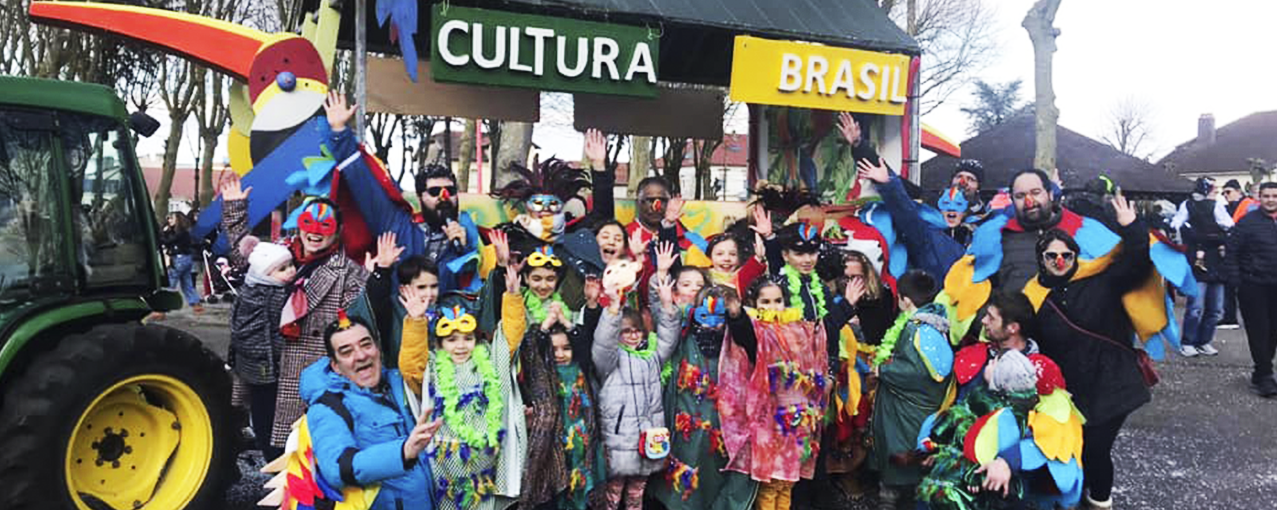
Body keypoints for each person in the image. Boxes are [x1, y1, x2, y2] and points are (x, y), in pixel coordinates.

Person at [1026, 191, 1150, 510]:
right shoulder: (1035, 299)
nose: (1059, 262)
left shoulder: (1102, 281)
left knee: (1096, 449)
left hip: (1113, 384)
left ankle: (1100, 502)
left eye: (1066, 255)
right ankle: (1079, 497)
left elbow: (1136, 260)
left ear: (1075, 256)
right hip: (1071, 391)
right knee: (1074, 448)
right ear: (1041, 258)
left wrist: (1132, 226)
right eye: (1051, 256)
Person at [323, 92, 482, 294]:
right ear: (420, 197)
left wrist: (465, 249)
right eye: (434, 192)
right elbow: (363, 184)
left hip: (448, 323)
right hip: (398, 321)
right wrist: (339, 132)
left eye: (450, 191)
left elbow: (476, 284)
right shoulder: (397, 226)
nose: (443, 197)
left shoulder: (468, 236)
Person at [399, 264, 527, 510]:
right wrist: (415, 322)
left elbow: (510, 339)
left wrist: (512, 297)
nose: (460, 346)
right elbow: (411, 367)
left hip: (486, 473)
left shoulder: (489, 359)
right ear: (438, 342)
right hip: (447, 472)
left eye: (467, 338)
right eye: (451, 339)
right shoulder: (433, 366)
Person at [301, 313, 442, 510]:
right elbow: (337, 468)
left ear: (377, 348)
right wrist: (403, 452)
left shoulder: (398, 383)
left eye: (366, 344)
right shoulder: (327, 406)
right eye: (346, 351)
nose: (361, 355)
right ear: (336, 366)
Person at [716, 278, 828, 510]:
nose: (773, 306)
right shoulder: (755, 328)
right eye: (765, 301)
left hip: (796, 418)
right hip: (768, 418)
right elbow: (744, 338)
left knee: (787, 482)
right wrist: (736, 314)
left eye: (778, 301)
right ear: (754, 303)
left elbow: (814, 359)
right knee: (770, 483)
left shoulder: (798, 329)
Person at [270, 197, 370, 448]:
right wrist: (234, 207)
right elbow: (243, 261)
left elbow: (351, 327)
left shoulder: (349, 272)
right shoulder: (278, 255)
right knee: (268, 449)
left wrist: (375, 279)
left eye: (324, 225)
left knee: (302, 455)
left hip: (308, 378)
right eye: (308, 223)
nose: (313, 232)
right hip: (267, 370)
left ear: (337, 231)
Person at [867, 270, 954, 510]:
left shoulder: (916, 328)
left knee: (899, 469)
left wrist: (882, 371)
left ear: (904, 299)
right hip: (925, 409)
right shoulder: (938, 322)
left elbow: (916, 372)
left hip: (905, 413)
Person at [593, 277, 681, 510]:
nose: (633, 335)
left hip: (648, 436)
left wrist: (667, 307)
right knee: (613, 491)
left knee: (637, 491)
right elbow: (602, 342)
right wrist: (612, 310)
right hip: (620, 438)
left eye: (637, 331)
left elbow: (668, 339)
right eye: (626, 331)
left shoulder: (652, 357)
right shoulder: (610, 359)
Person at [227, 239, 294, 460]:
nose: (291, 271)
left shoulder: (248, 292)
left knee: (259, 406)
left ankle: (264, 441)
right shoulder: (275, 296)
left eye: (291, 265)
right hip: (268, 363)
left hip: (250, 363)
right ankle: (272, 450)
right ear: (265, 274)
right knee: (269, 409)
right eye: (282, 269)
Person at [855, 157, 968, 279]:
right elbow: (907, 214)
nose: (952, 209)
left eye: (959, 205)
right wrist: (887, 183)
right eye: (946, 204)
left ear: (966, 212)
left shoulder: (973, 237)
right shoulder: (930, 235)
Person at [1223, 182, 1277, 398]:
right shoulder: (1247, 223)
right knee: (1259, 331)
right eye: (1266, 196)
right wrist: (1236, 281)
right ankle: (1264, 375)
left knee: (1274, 331)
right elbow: (1232, 252)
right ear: (1259, 198)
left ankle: (1261, 371)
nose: (1271, 200)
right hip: (1253, 285)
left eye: (1275, 195)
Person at [1171, 177, 1232, 357]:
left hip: (1214, 260)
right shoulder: (1190, 205)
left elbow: (1229, 225)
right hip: (1199, 259)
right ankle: (1188, 341)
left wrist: (1199, 235)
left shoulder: (1214, 205)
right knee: (1196, 307)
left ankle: (1204, 341)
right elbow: (1176, 224)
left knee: (1214, 308)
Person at [1219, 179, 1252, 328]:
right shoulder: (1227, 208)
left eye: (1228, 192)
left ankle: (1236, 317)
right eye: (1223, 192)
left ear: (1238, 191)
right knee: (1229, 285)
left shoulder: (1249, 206)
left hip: (1247, 253)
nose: (1225, 195)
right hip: (1233, 252)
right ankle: (1230, 317)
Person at [160, 210, 203, 312]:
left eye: (171, 218)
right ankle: (195, 304)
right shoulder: (185, 232)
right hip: (186, 258)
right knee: (187, 283)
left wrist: (163, 233)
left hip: (179, 258)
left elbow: (168, 242)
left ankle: (162, 307)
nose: (169, 220)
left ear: (178, 220)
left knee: (171, 281)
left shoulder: (180, 233)